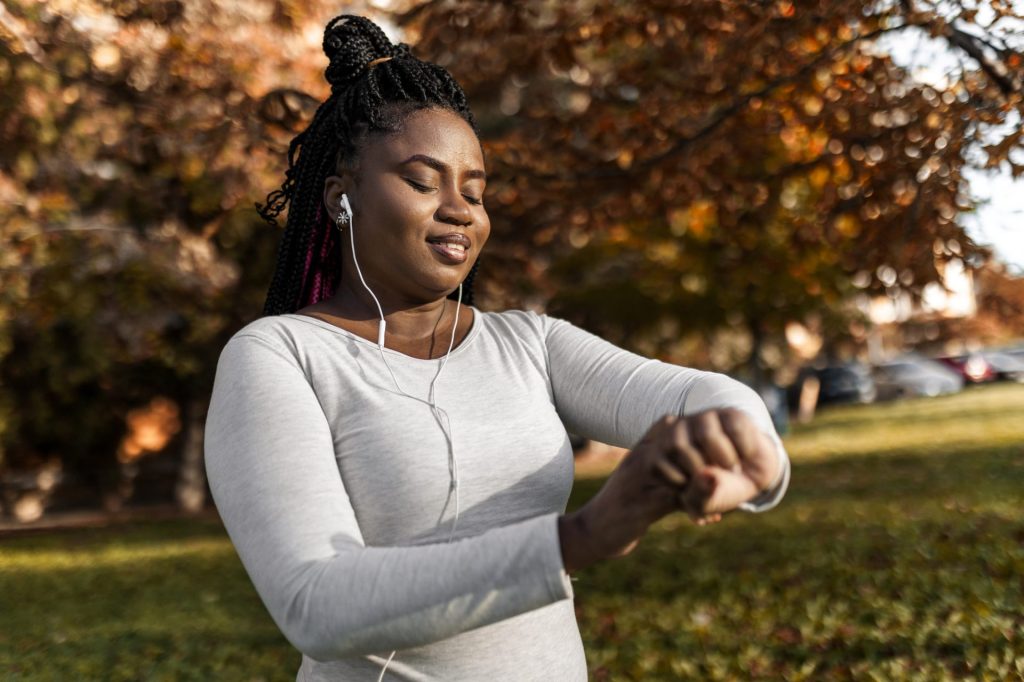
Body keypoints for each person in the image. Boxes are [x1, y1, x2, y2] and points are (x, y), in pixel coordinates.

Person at [204, 15, 791, 682]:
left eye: (474, 191)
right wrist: (580, 537)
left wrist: (742, 454)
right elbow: (316, 604)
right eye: (424, 182)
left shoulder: (528, 342)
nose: (460, 210)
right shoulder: (279, 356)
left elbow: (696, 392)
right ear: (342, 197)